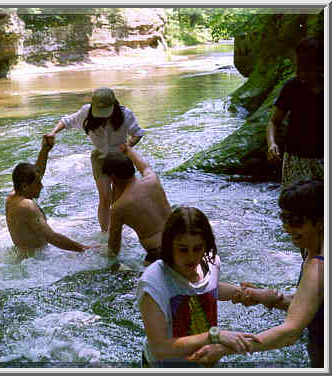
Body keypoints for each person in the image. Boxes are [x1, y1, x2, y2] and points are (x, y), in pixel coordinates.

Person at [187, 179, 324, 368]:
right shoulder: (313, 248)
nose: (287, 228)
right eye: (284, 218)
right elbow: (313, 303)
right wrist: (268, 297)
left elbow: (290, 333)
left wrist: (226, 348)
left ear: (321, 222)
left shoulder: (318, 266)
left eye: (296, 221)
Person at [137, 206, 277, 367]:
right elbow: (159, 348)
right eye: (183, 249)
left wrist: (241, 293)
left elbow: (210, 288)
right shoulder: (153, 282)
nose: (191, 257)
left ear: (206, 244)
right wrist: (214, 337)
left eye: (197, 248)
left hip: (205, 361)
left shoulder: (211, 263)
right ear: (169, 245)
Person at [47, 87, 145, 232]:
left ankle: (121, 229)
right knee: (105, 197)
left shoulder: (125, 114)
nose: (103, 116)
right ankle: (105, 232)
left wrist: (128, 146)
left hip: (120, 158)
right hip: (99, 157)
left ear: (114, 106)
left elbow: (138, 133)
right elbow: (67, 121)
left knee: (119, 198)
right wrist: (53, 133)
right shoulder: (86, 112)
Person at [6, 135, 96, 258]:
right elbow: (52, 237)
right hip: (36, 262)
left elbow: (37, 173)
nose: (42, 186)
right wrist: (85, 249)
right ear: (25, 186)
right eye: (38, 184)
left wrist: (45, 150)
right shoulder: (27, 206)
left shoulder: (13, 195)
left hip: (25, 257)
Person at [266, 37, 324, 189]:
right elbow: (273, 122)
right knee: (292, 207)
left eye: (307, 68)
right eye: (300, 68)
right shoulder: (292, 86)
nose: (302, 74)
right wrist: (271, 144)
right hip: (295, 159)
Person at [102, 144, 172, 265]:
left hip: (158, 254)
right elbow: (144, 167)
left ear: (112, 177)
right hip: (181, 238)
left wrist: (104, 255)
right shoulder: (153, 180)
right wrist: (129, 150)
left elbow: (114, 248)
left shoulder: (119, 207)